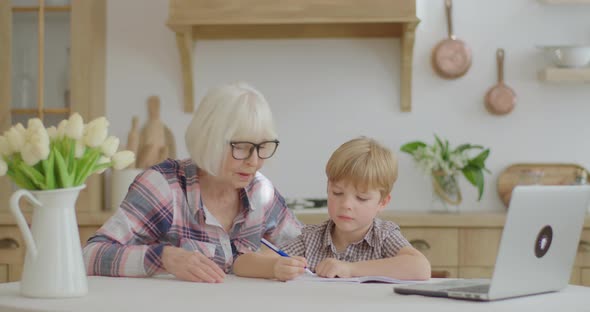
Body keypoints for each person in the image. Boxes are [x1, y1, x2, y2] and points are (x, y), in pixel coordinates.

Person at [83, 82, 302, 283]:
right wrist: (163, 258)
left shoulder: (260, 192)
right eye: (241, 147)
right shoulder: (164, 186)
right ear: (210, 140)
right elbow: (90, 255)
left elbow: (305, 247)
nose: (254, 162)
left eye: (262, 146)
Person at [233, 137, 431, 281]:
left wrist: (351, 269)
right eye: (337, 193)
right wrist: (274, 267)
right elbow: (242, 264)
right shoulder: (310, 239)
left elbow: (420, 268)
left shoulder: (384, 236)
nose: (346, 204)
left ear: (383, 202)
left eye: (361, 198)